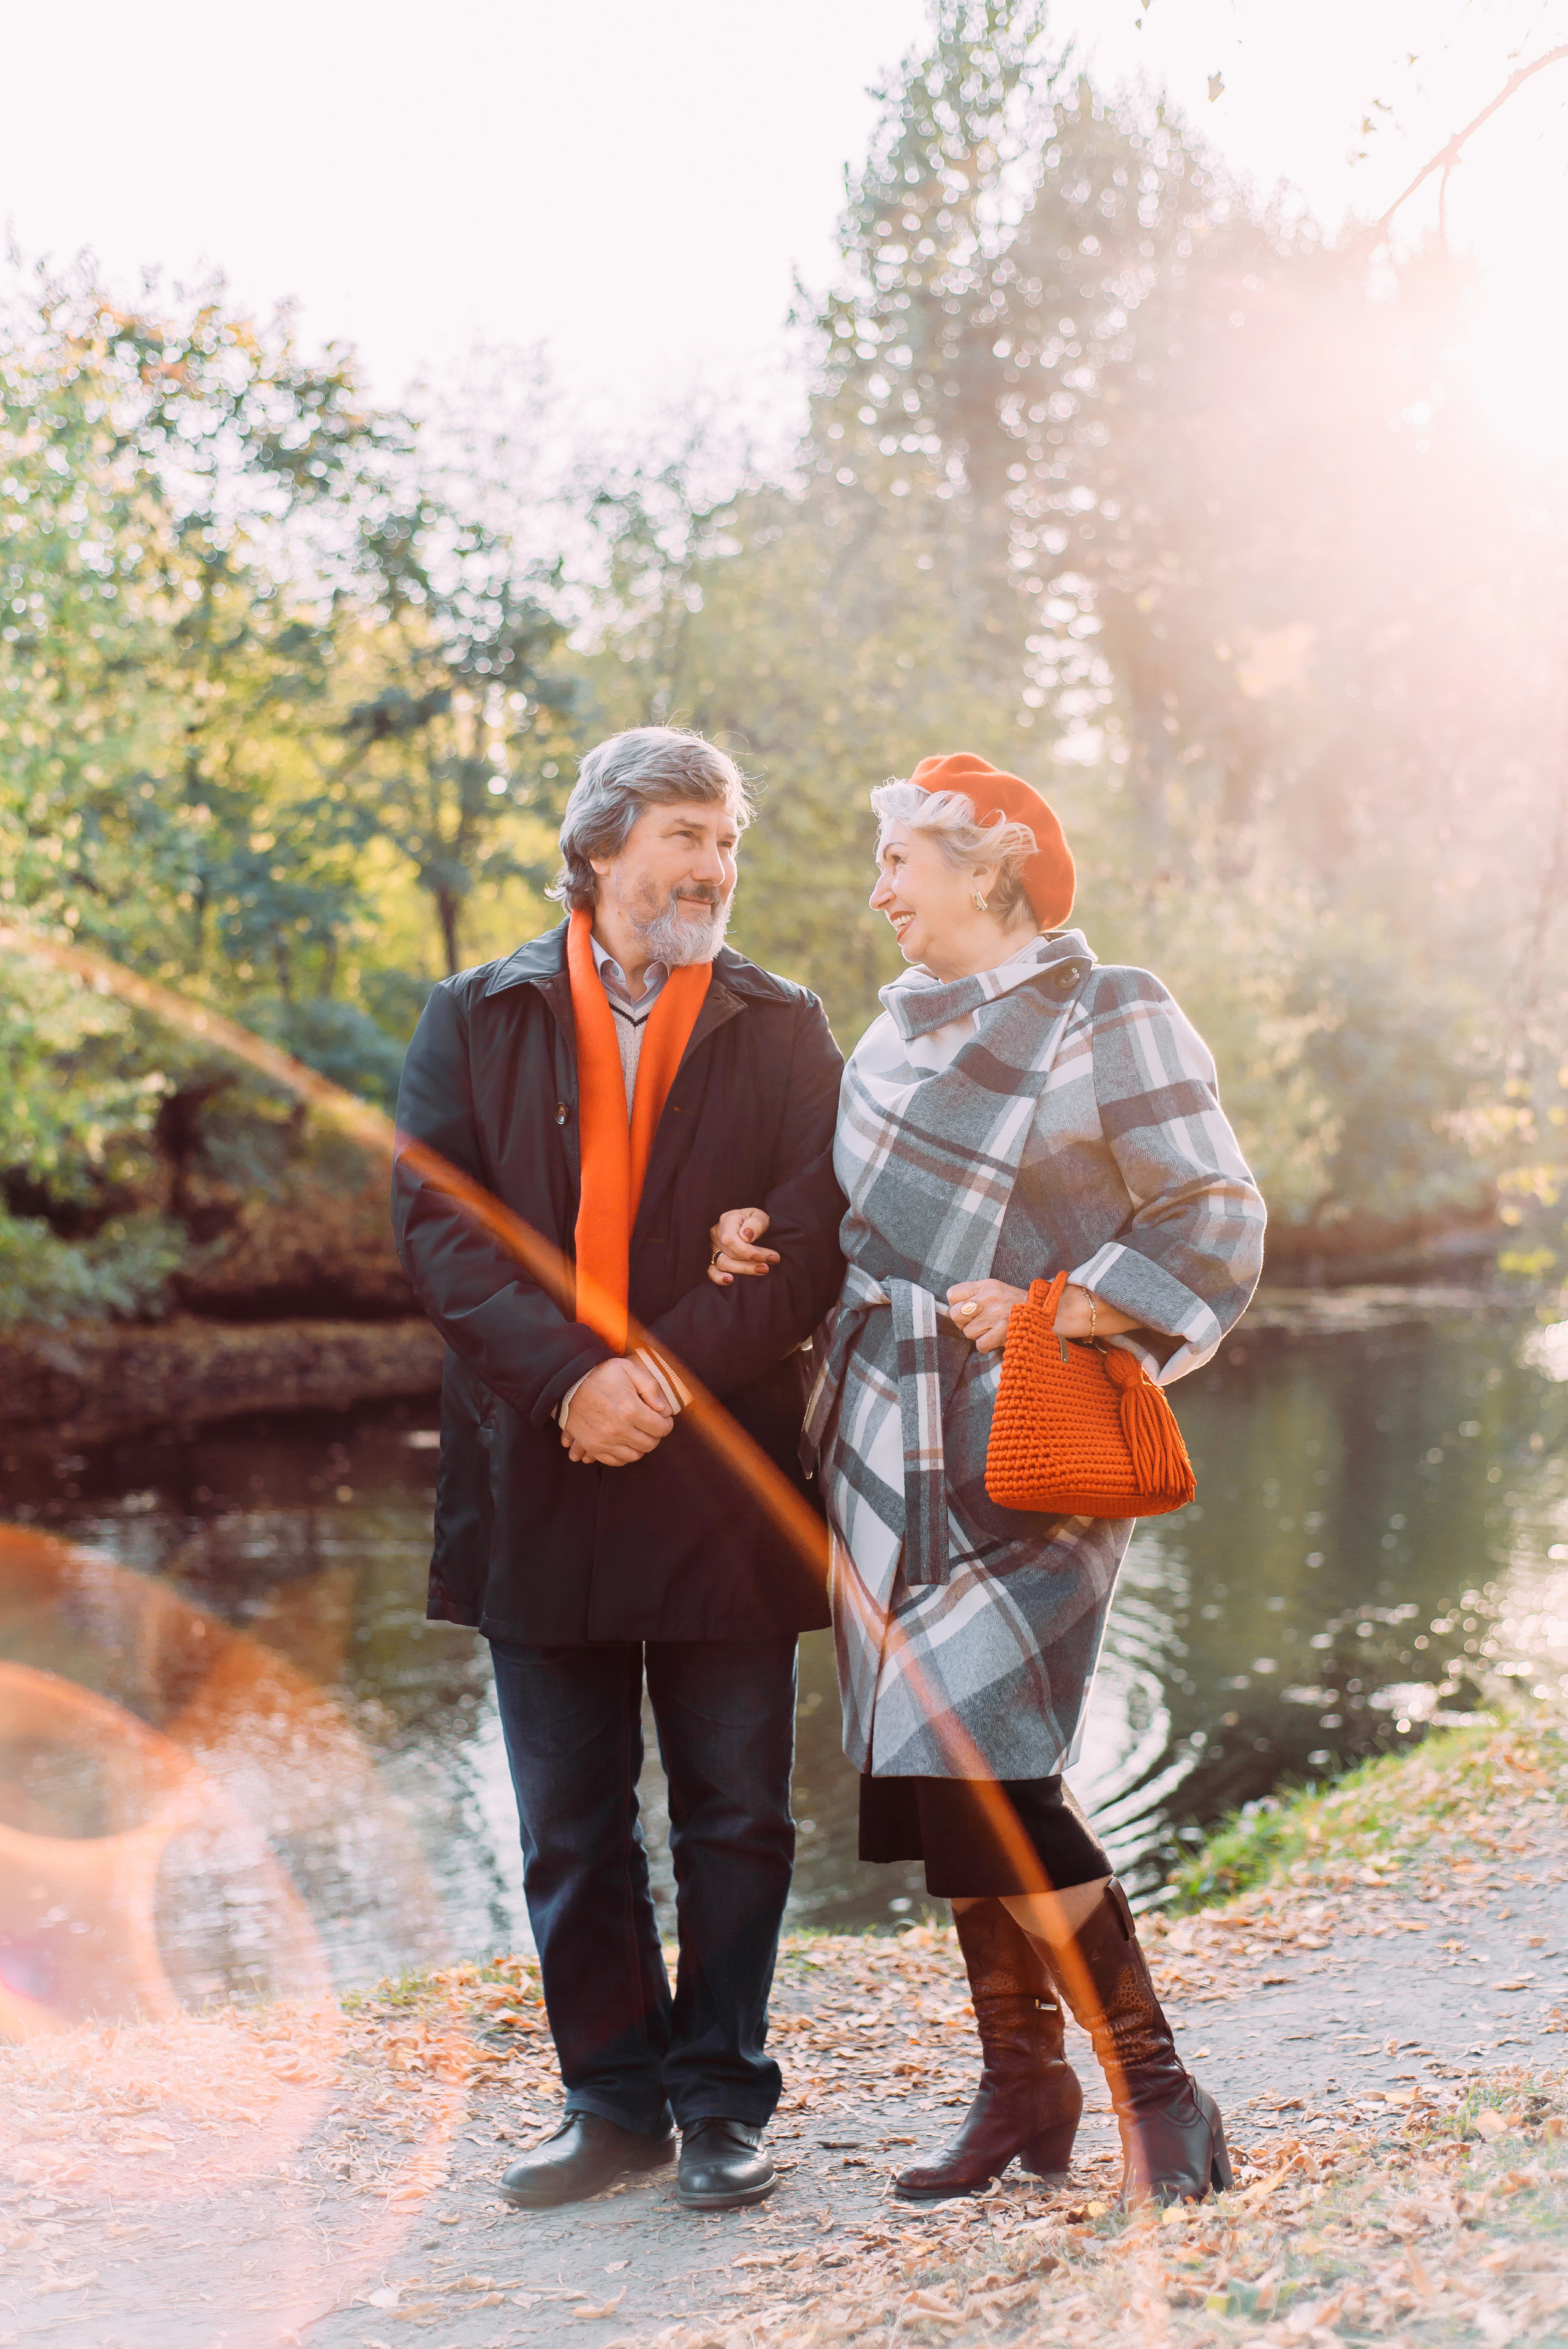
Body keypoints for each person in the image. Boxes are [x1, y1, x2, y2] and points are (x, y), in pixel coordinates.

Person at [708, 751, 1265, 2205]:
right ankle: (1022, 2085)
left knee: (982, 1755)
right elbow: (852, 1225)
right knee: (940, 1777)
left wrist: (1067, 1301)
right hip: (879, 1437)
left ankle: (1157, 2088)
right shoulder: (883, 1041)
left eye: (898, 860)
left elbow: (1214, 1211)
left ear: (984, 865)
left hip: (1030, 1438)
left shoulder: (1107, 1007)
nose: (876, 890)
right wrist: (752, 1235)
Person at [393, 727, 846, 2213]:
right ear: (600, 850)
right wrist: (571, 1384)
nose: (714, 869)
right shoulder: (475, 1013)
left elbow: (810, 1237)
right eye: (686, 839)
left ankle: (720, 2100)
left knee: (736, 1812)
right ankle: (610, 2105)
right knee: (569, 1821)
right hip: (541, 1465)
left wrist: (649, 1377)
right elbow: (439, 1228)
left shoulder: (782, 1025)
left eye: (727, 843)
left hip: (717, 1469)